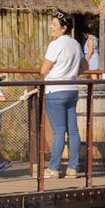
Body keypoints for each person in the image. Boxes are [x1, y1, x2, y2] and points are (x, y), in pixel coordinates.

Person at [41, 11, 84, 178]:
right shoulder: (75, 44)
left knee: (59, 131)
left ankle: (53, 168)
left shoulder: (55, 44)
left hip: (55, 88)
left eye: (54, 25)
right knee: (73, 131)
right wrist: (72, 73)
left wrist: (55, 71)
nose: (51, 27)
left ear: (64, 28)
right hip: (72, 88)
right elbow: (84, 65)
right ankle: (73, 167)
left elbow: (43, 69)